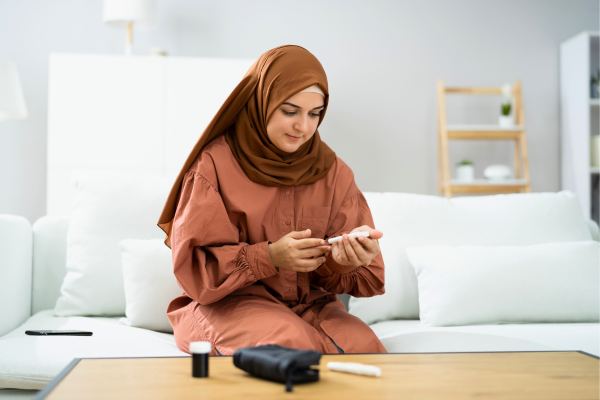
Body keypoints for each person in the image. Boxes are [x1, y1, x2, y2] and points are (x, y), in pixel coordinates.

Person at [157, 45, 386, 355]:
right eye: (290, 111)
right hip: (227, 306)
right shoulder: (213, 166)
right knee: (289, 345)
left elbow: (358, 272)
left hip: (310, 305)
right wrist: (270, 257)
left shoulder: (333, 172)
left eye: (315, 114)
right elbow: (195, 267)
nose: (303, 127)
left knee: (364, 347)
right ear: (261, 102)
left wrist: (342, 261)